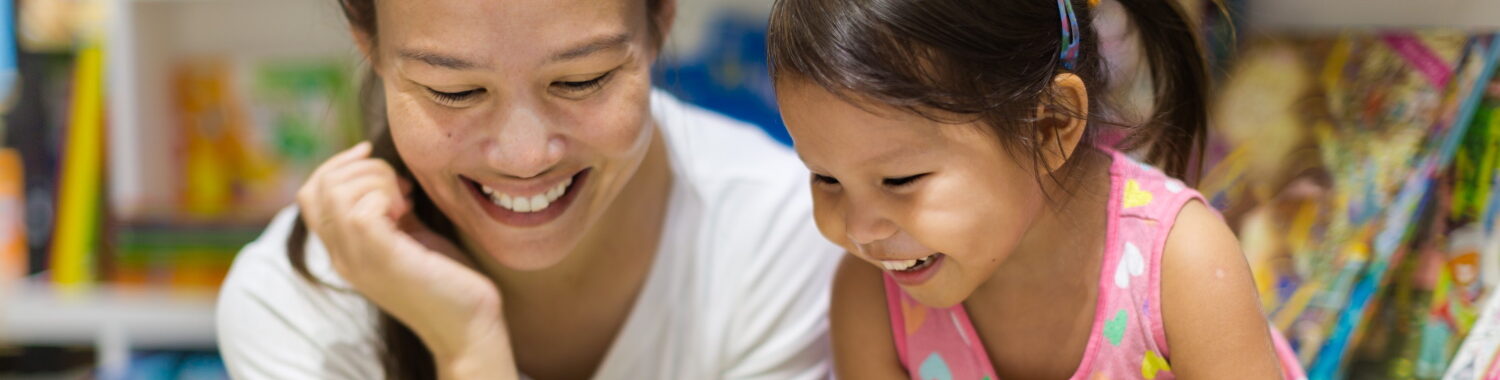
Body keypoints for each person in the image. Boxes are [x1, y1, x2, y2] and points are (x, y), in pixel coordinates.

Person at [215, 0, 840, 378]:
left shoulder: (784, 232)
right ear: (369, 47)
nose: (524, 157)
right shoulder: (297, 305)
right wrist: (466, 342)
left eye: (581, 80)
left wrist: (469, 352)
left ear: (659, 23)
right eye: (454, 91)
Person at [766, 0, 1306, 378]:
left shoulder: (1181, 266)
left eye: (901, 180)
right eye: (826, 178)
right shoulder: (872, 300)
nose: (860, 230)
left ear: (1050, 125)